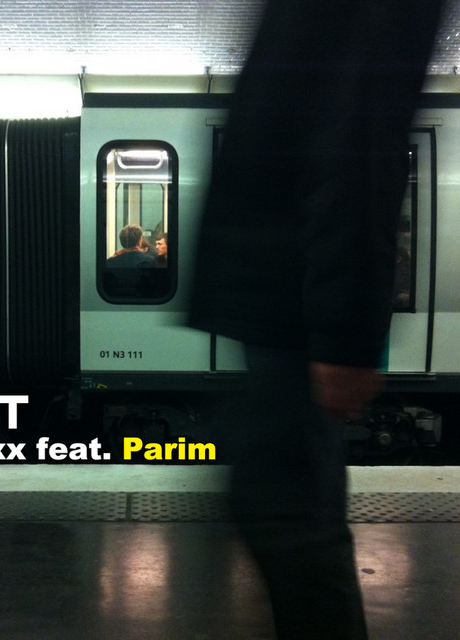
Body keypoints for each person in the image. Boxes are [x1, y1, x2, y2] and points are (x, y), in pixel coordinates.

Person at [188, 2, 441, 639]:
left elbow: (357, 146)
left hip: (289, 303)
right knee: (285, 517)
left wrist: (345, 335)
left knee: (289, 523)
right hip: (281, 299)